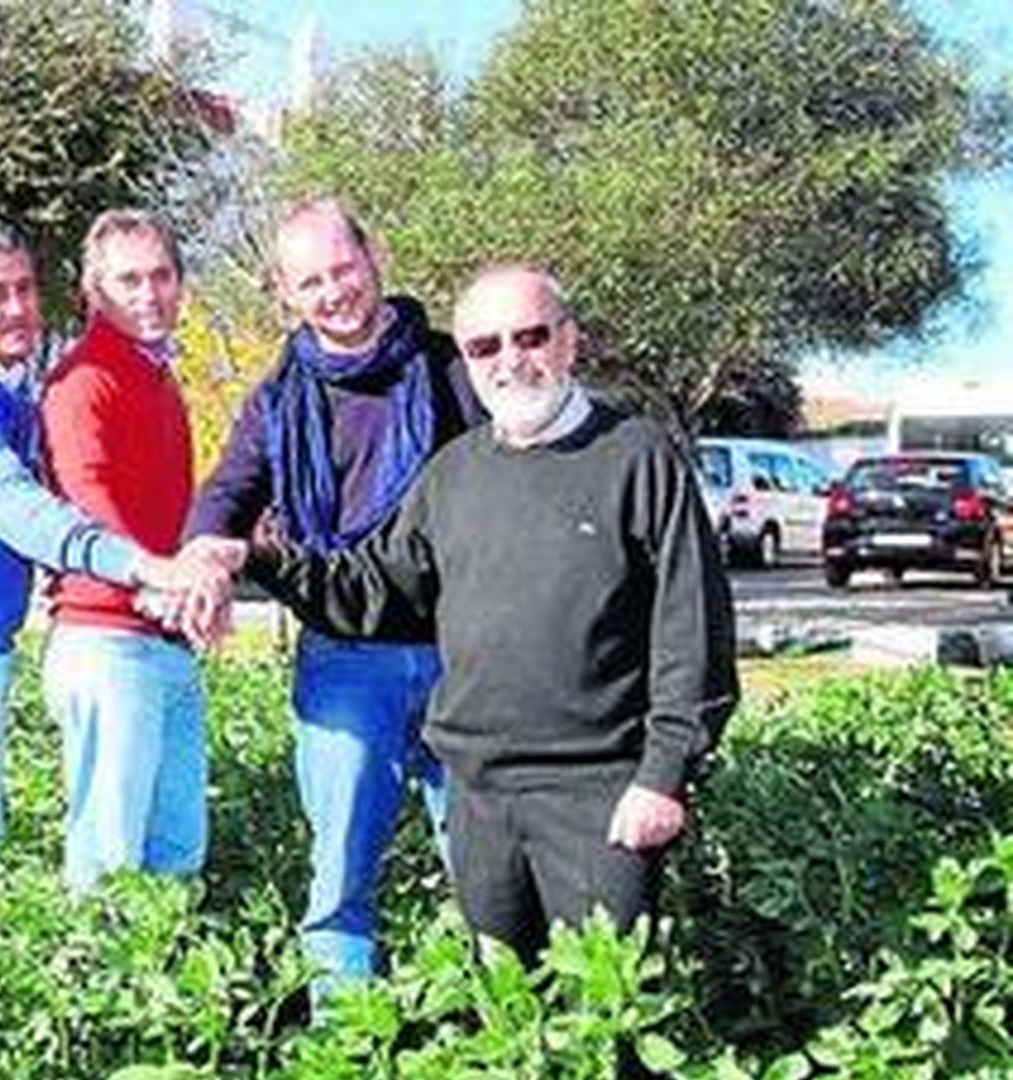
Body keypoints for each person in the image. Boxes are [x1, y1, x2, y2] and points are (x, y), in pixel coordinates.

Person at [212, 264, 738, 963]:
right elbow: (375, 589)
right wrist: (255, 557)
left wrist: (663, 776)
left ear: (569, 340)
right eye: (485, 346)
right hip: (478, 797)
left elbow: (692, 627)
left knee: (607, 1013)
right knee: (504, 1009)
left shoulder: (637, 456)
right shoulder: (452, 473)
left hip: (600, 795)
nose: (509, 361)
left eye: (530, 337)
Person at [184, 198, 482, 991]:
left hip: (463, 655)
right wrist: (207, 555)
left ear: (373, 255)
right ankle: (345, 1042)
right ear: (286, 293)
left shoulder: (453, 370)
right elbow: (225, 495)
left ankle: (500, 1029)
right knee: (341, 878)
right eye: (310, 281)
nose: (332, 293)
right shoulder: (279, 401)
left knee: (488, 870)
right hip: (344, 661)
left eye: (342, 269)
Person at [0, 220, 223, 883]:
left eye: (25, 288)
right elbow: (17, 506)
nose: (17, 307)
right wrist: (145, 568)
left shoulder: (4, 384)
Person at [38, 209, 207, 890]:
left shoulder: (158, 377)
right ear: (92, 290)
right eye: (128, 280)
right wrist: (158, 580)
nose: (148, 294)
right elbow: (87, 497)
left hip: (166, 638)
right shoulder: (83, 380)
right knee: (107, 867)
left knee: (177, 853)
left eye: (161, 276)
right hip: (108, 640)